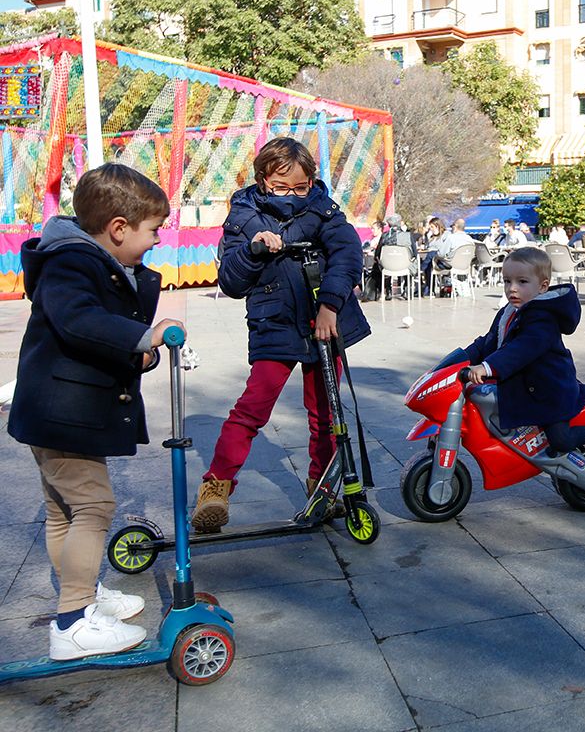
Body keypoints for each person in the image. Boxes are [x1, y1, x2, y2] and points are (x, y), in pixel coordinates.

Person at [8, 163, 180, 659]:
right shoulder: (71, 262)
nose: (157, 240)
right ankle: (74, 621)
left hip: (61, 409)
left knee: (64, 510)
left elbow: (97, 331)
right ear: (118, 228)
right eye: (153, 230)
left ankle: (78, 596)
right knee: (94, 507)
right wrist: (143, 336)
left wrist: (137, 351)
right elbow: (79, 320)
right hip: (62, 410)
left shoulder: (92, 259)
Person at [191, 137, 371, 533]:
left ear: (312, 181)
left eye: (300, 187)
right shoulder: (243, 216)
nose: (292, 195)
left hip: (323, 321)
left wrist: (330, 305)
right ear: (261, 181)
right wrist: (253, 251)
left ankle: (321, 487)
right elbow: (231, 281)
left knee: (326, 414)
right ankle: (215, 490)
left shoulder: (324, 210)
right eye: (281, 187)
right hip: (274, 322)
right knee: (252, 408)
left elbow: (347, 256)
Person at [455, 247, 585, 460]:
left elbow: (523, 348)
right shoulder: (509, 311)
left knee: (560, 439)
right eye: (507, 281)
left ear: (543, 286)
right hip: (528, 388)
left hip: (550, 390)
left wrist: (487, 367)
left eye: (522, 282)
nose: (512, 289)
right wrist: (458, 359)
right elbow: (488, 342)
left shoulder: (542, 318)